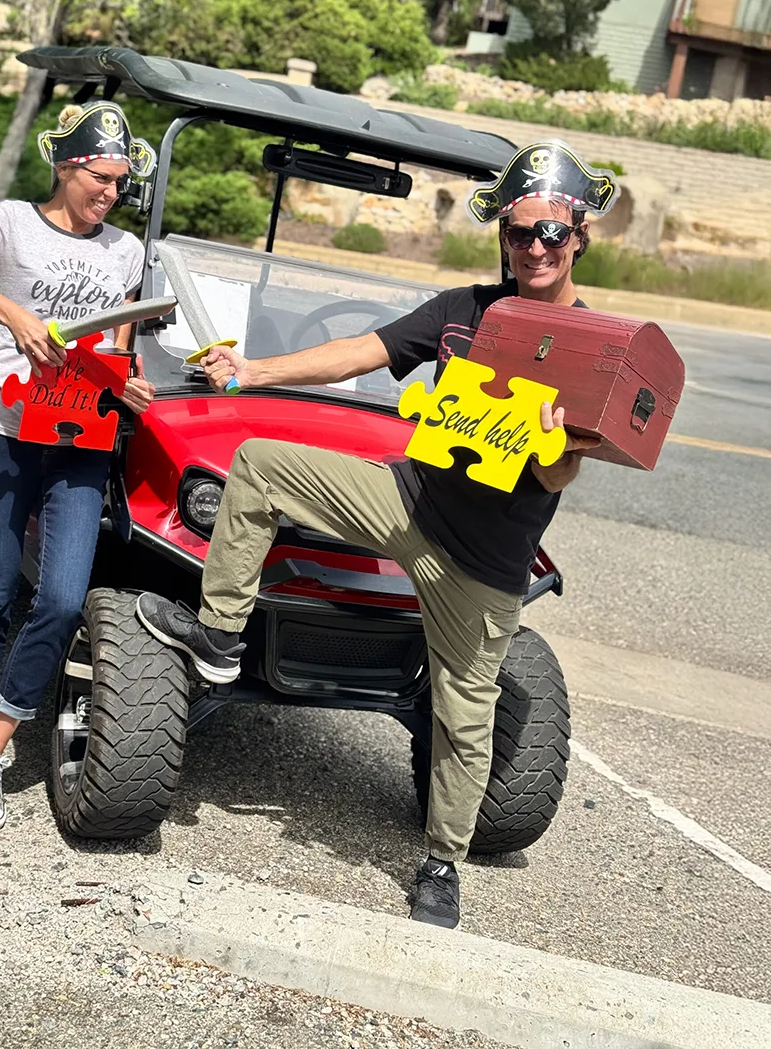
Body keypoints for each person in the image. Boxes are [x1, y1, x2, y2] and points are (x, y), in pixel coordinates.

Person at [136, 141, 619, 928]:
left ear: (578, 239)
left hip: (483, 558)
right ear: (501, 235)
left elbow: (561, 478)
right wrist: (253, 371)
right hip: (407, 500)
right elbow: (363, 350)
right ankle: (220, 638)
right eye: (519, 232)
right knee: (258, 465)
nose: (534, 248)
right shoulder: (465, 310)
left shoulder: (594, 347)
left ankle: (441, 864)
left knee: (466, 721)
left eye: (551, 235)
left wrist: (559, 446)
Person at [0, 101, 158, 831]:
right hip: (3, 434)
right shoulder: (13, 222)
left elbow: (113, 347)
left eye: (119, 182)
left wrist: (127, 381)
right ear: (66, 166)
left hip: (80, 443)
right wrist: (12, 315)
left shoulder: (126, 252)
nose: (110, 192)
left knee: (58, 600)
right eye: (100, 177)